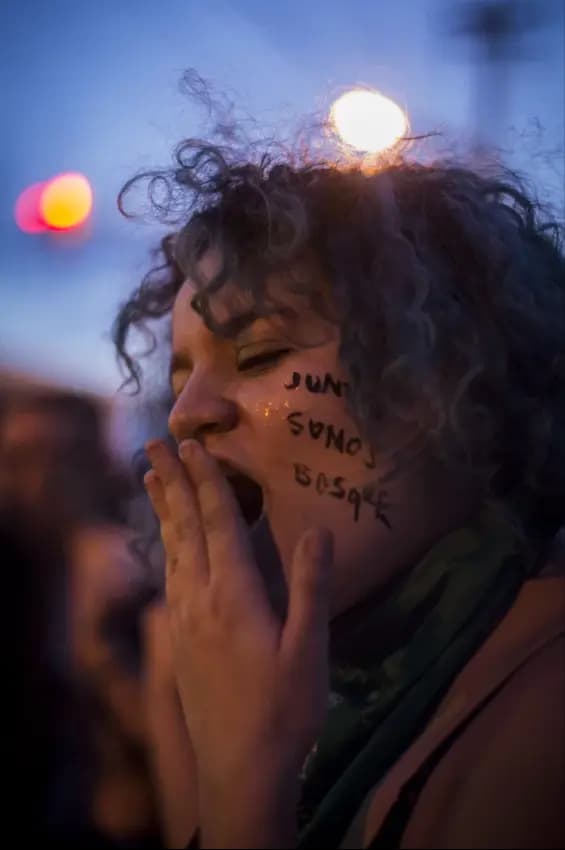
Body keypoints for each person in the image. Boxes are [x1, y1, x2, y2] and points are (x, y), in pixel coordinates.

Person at [113, 133, 565, 848]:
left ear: (459, 386)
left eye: (260, 353)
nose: (186, 415)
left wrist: (241, 797)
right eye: (179, 379)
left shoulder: (544, 714)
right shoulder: (335, 688)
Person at [0, 391, 160, 846]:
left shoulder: (132, 573)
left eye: (59, 458)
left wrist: (102, 654)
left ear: (98, 465)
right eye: (17, 459)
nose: (38, 480)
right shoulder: (15, 571)